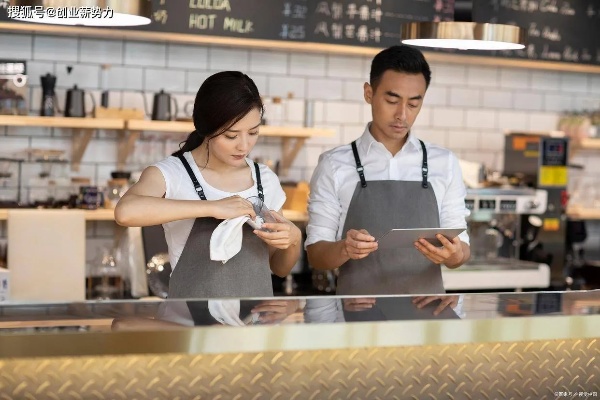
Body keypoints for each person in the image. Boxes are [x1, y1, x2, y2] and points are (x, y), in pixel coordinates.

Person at [305, 45, 470, 302]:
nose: (402, 115)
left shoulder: (444, 163)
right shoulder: (334, 164)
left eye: (414, 104)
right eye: (392, 100)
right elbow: (316, 255)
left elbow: (462, 250)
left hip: (426, 320)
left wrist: (454, 255)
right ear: (369, 93)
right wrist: (344, 248)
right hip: (356, 317)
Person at [115, 71, 301, 298]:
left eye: (253, 132)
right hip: (189, 327)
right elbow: (125, 212)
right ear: (206, 128)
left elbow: (280, 268)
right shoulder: (173, 173)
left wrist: (293, 239)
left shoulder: (264, 179)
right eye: (231, 136)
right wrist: (213, 207)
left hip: (253, 328)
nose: (244, 146)